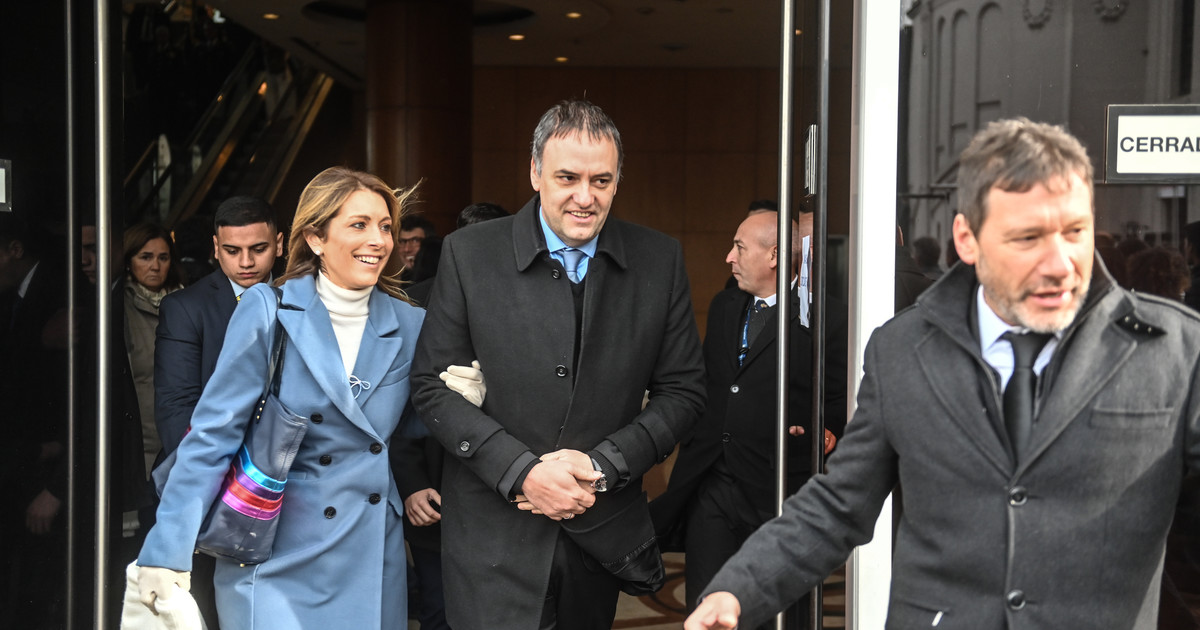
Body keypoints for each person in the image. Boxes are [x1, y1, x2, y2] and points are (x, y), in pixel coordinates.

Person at [686, 118, 1200, 630]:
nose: (1060, 263)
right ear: (967, 239)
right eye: (1027, 238)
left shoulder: (1174, 351)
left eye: (1075, 232)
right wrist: (739, 588)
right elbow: (839, 503)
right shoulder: (903, 351)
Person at [135, 167, 477, 628]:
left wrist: (459, 399)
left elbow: (401, 428)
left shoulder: (410, 322)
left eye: (385, 226)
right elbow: (213, 434)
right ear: (315, 238)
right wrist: (166, 550)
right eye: (359, 225)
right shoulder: (268, 310)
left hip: (369, 552)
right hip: (273, 553)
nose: (378, 240)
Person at [410, 99, 706, 630]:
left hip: (599, 534)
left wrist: (603, 466)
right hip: (491, 541)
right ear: (535, 172)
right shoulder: (468, 253)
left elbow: (684, 392)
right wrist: (522, 472)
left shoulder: (658, 259)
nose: (584, 197)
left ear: (617, 181)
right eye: (567, 177)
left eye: (601, 181)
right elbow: (432, 388)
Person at [650, 210, 848, 627]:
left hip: (777, 489)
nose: (729, 257)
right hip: (712, 482)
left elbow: (838, 400)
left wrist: (823, 431)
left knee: (780, 612)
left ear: (774, 255)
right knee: (706, 605)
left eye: (739, 247)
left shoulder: (823, 318)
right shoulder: (725, 306)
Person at [151, 196, 283, 628]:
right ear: (214, 247)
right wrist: (219, 483)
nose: (245, 262)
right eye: (232, 250)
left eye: (258, 249)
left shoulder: (303, 298)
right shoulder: (186, 307)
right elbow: (176, 408)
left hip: (294, 479)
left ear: (280, 244)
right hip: (217, 486)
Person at [393, 201, 509, 630]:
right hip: (434, 488)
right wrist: (411, 482)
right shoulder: (413, 304)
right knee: (440, 612)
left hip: (508, 491)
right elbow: (395, 403)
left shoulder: (533, 301)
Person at [123, 222, 185, 479]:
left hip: (181, 440)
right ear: (129, 261)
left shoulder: (188, 305)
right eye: (145, 257)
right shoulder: (118, 307)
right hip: (138, 444)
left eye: (163, 258)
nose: (155, 266)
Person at [398, 215, 436, 279]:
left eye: (415, 241)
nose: (407, 249)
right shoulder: (404, 278)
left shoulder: (440, 279)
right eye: (402, 241)